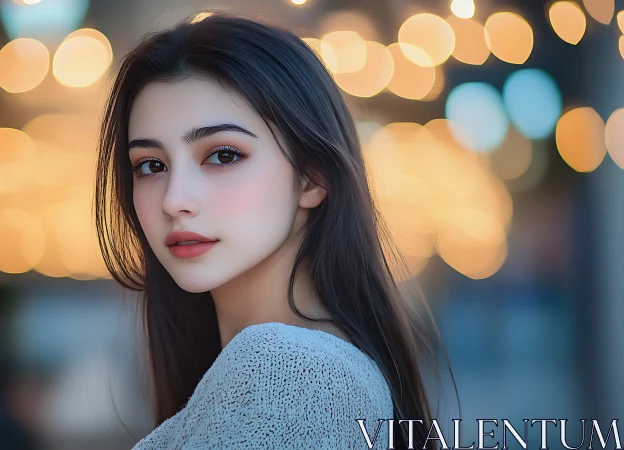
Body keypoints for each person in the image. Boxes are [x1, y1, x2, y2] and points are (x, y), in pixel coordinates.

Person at [94, 13, 455, 449]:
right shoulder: (295, 371)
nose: (174, 200)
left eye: (223, 155)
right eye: (151, 165)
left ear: (312, 178)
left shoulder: (293, 372)